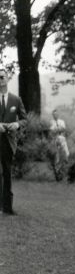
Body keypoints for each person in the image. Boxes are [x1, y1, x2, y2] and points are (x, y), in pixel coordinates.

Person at [0, 67, 27, 215]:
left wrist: (16, 124)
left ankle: (7, 208)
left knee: (7, 173)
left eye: (2, 77)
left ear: (8, 78)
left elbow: (24, 120)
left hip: (9, 142)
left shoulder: (16, 100)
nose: (1, 80)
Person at [49, 109, 70, 181]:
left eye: (56, 114)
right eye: (54, 114)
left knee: (66, 154)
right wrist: (58, 129)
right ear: (52, 115)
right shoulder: (51, 122)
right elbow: (52, 131)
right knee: (56, 156)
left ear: (58, 114)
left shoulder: (62, 121)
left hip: (61, 138)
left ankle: (65, 170)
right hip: (55, 139)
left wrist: (57, 129)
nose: (55, 115)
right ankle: (58, 175)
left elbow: (63, 129)